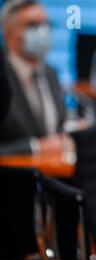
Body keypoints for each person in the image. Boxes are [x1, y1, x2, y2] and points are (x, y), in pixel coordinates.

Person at [0, 0, 66, 154]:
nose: (42, 31)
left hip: (54, 173)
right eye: (32, 25)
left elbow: (57, 129)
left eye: (46, 24)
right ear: (7, 32)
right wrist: (36, 147)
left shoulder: (51, 73)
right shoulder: (3, 75)